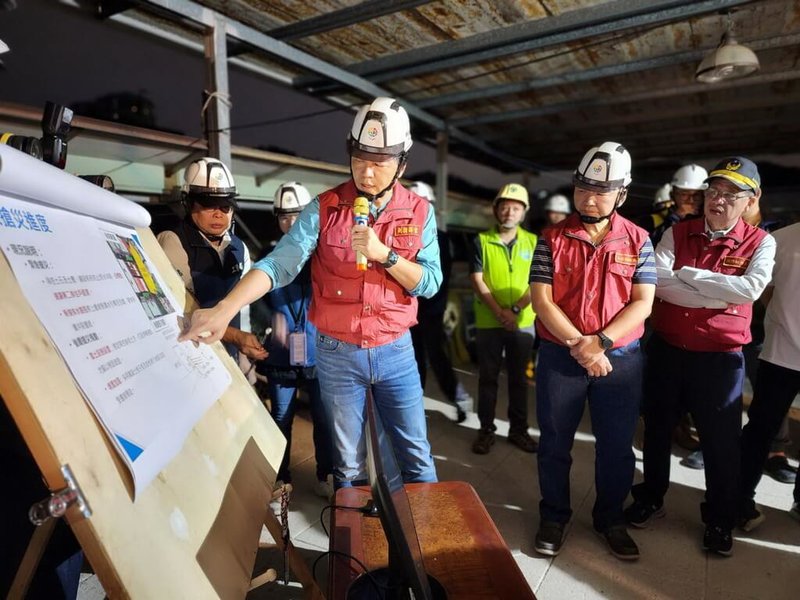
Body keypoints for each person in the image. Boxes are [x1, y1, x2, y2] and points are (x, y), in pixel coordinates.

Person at [177, 97, 441, 489]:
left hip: (395, 349)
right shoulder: (324, 208)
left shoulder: (420, 211)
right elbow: (278, 264)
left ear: (401, 162)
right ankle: (353, 547)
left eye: (380, 161)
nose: (367, 173)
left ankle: (430, 548)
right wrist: (224, 308)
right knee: (348, 463)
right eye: (360, 158)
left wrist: (383, 255)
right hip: (336, 353)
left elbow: (430, 282)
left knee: (415, 455)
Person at [625, 157, 776, 557]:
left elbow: (750, 290)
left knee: (721, 444)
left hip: (719, 360)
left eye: (731, 194)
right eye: (713, 191)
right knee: (656, 429)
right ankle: (651, 496)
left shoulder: (761, 242)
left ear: (751, 200)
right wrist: (719, 291)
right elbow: (659, 283)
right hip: (667, 350)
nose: (718, 200)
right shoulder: (678, 231)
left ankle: (720, 519)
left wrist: (689, 275)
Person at [530, 141, 656, 561]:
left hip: (619, 360)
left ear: (621, 194)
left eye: (602, 190)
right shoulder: (551, 237)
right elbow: (543, 302)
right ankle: (553, 516)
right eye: (583, 187)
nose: (589, 196)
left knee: (617, 445)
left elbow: (643, 302)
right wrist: (580, 347)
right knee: (553, 442)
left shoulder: (639, 240)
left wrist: (599, 342)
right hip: (559, 358)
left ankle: (610, 519)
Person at [255, 182, 333, 498]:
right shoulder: (267, 254)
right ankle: (280, 478)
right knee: (280, 419)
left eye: (296, 215)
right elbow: (255, 298)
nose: (290, 222)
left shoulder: (323, 256)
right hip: (281, 354)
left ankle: (326, 473)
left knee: (324, 420)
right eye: (284, 216)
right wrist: (269, 319)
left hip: (319, 351)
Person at [157, 157, 267, 364]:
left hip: (231, 356)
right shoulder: (173, 242)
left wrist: (242, 357)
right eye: (208, 204)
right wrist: (236, 337)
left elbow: (242, 308)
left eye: (225, 205)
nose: (218, 214)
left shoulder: (239, 248)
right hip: (191, 354)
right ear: (188, 203)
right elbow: (182, 311)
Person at [738, 220, 800, 530]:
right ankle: (739, 499)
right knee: (761, 428)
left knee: (761, 428)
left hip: (783, 351)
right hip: (782, 354)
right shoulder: (781, 240)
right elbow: (765, 291)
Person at [470, 183, 538, 455]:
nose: (509, 212)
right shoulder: (481, 241)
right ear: (496, 210)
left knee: (519, 379)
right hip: (489, 322)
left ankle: (518, 431)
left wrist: (516, 310)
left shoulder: (534, 242)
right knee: (487, 378)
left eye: (516, 208)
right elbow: (477, 279)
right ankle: (486, 430)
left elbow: (538, 281)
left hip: (523, 324)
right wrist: (500, 311)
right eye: (505, 206)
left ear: (523, 213)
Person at [407, 181, 473, 423]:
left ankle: (461, 399)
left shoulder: (441, 238)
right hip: (408, 311)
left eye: (420, 203)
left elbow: (438, 279)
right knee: (413, 361)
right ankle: (414, 408)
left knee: (437, 357)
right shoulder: (402, 235)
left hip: (430, 311)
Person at [650, 164, 707, 247]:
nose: (691, 200)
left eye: (697, 195)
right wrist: (676, 218)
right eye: (684, 194)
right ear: (673, 195)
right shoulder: (655, 221)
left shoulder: (712, 220)